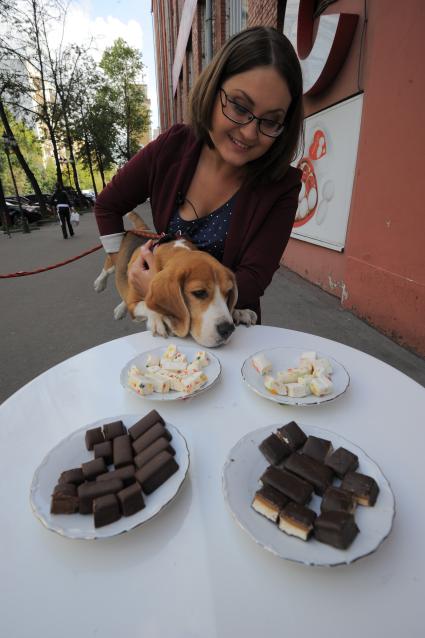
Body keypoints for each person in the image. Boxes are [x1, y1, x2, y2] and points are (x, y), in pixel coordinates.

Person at [95, 26, 304, 322]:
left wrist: (160, 290)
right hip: (169, 331)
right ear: (213, 86)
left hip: (231, 332)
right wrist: (123, 268)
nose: (249, 132)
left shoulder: (282, 188)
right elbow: (107, 205)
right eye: (239, 106)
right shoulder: (172, 147)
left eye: (271, 121)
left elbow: (253, 280)